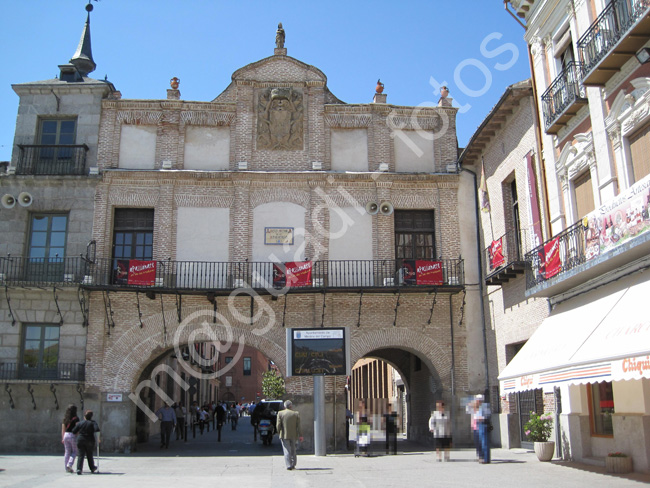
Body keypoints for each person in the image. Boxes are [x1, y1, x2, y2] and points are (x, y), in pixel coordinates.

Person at [276, 400, 303, 470]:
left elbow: (278, 425)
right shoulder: (296, 414)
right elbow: (299, 426)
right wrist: (301, 435)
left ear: (284, 406)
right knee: (293, 449)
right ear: (291, 406)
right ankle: (293, 464)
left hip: (284, 435)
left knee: (287, 450)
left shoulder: (280, 413)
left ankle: (288, 465)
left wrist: (279, 432)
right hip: (294, 435)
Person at [71, 410, 100, 475]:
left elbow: (74, 431)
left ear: (85, 416)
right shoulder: (93, 423)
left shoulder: (80, 423)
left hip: (81, 439)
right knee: (89, 454)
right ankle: (92, 467)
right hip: (90, 440)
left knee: (81, 454)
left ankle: (79, 469)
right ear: (91, 416)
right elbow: (97, 429)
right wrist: (98, 438)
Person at [61, 404, 79, 473]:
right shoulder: (76, 418)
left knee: (67, 452)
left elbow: (63, 429)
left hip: (65, 435)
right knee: (74, 451)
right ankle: (70, 464)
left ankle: (66, 467)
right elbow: (77, 428)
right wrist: (77, 434)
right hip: (72, 435)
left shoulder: (65, 418)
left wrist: (63, 438)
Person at [476, 395, 492, 464]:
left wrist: (481, 418)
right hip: (480, 424)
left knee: (485, 442)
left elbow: (488, 415)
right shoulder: (480, 407)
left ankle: (486, 459)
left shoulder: (485, 406)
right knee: (482, 442)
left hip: (484, 424)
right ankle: (484, 458)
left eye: (477, 400)